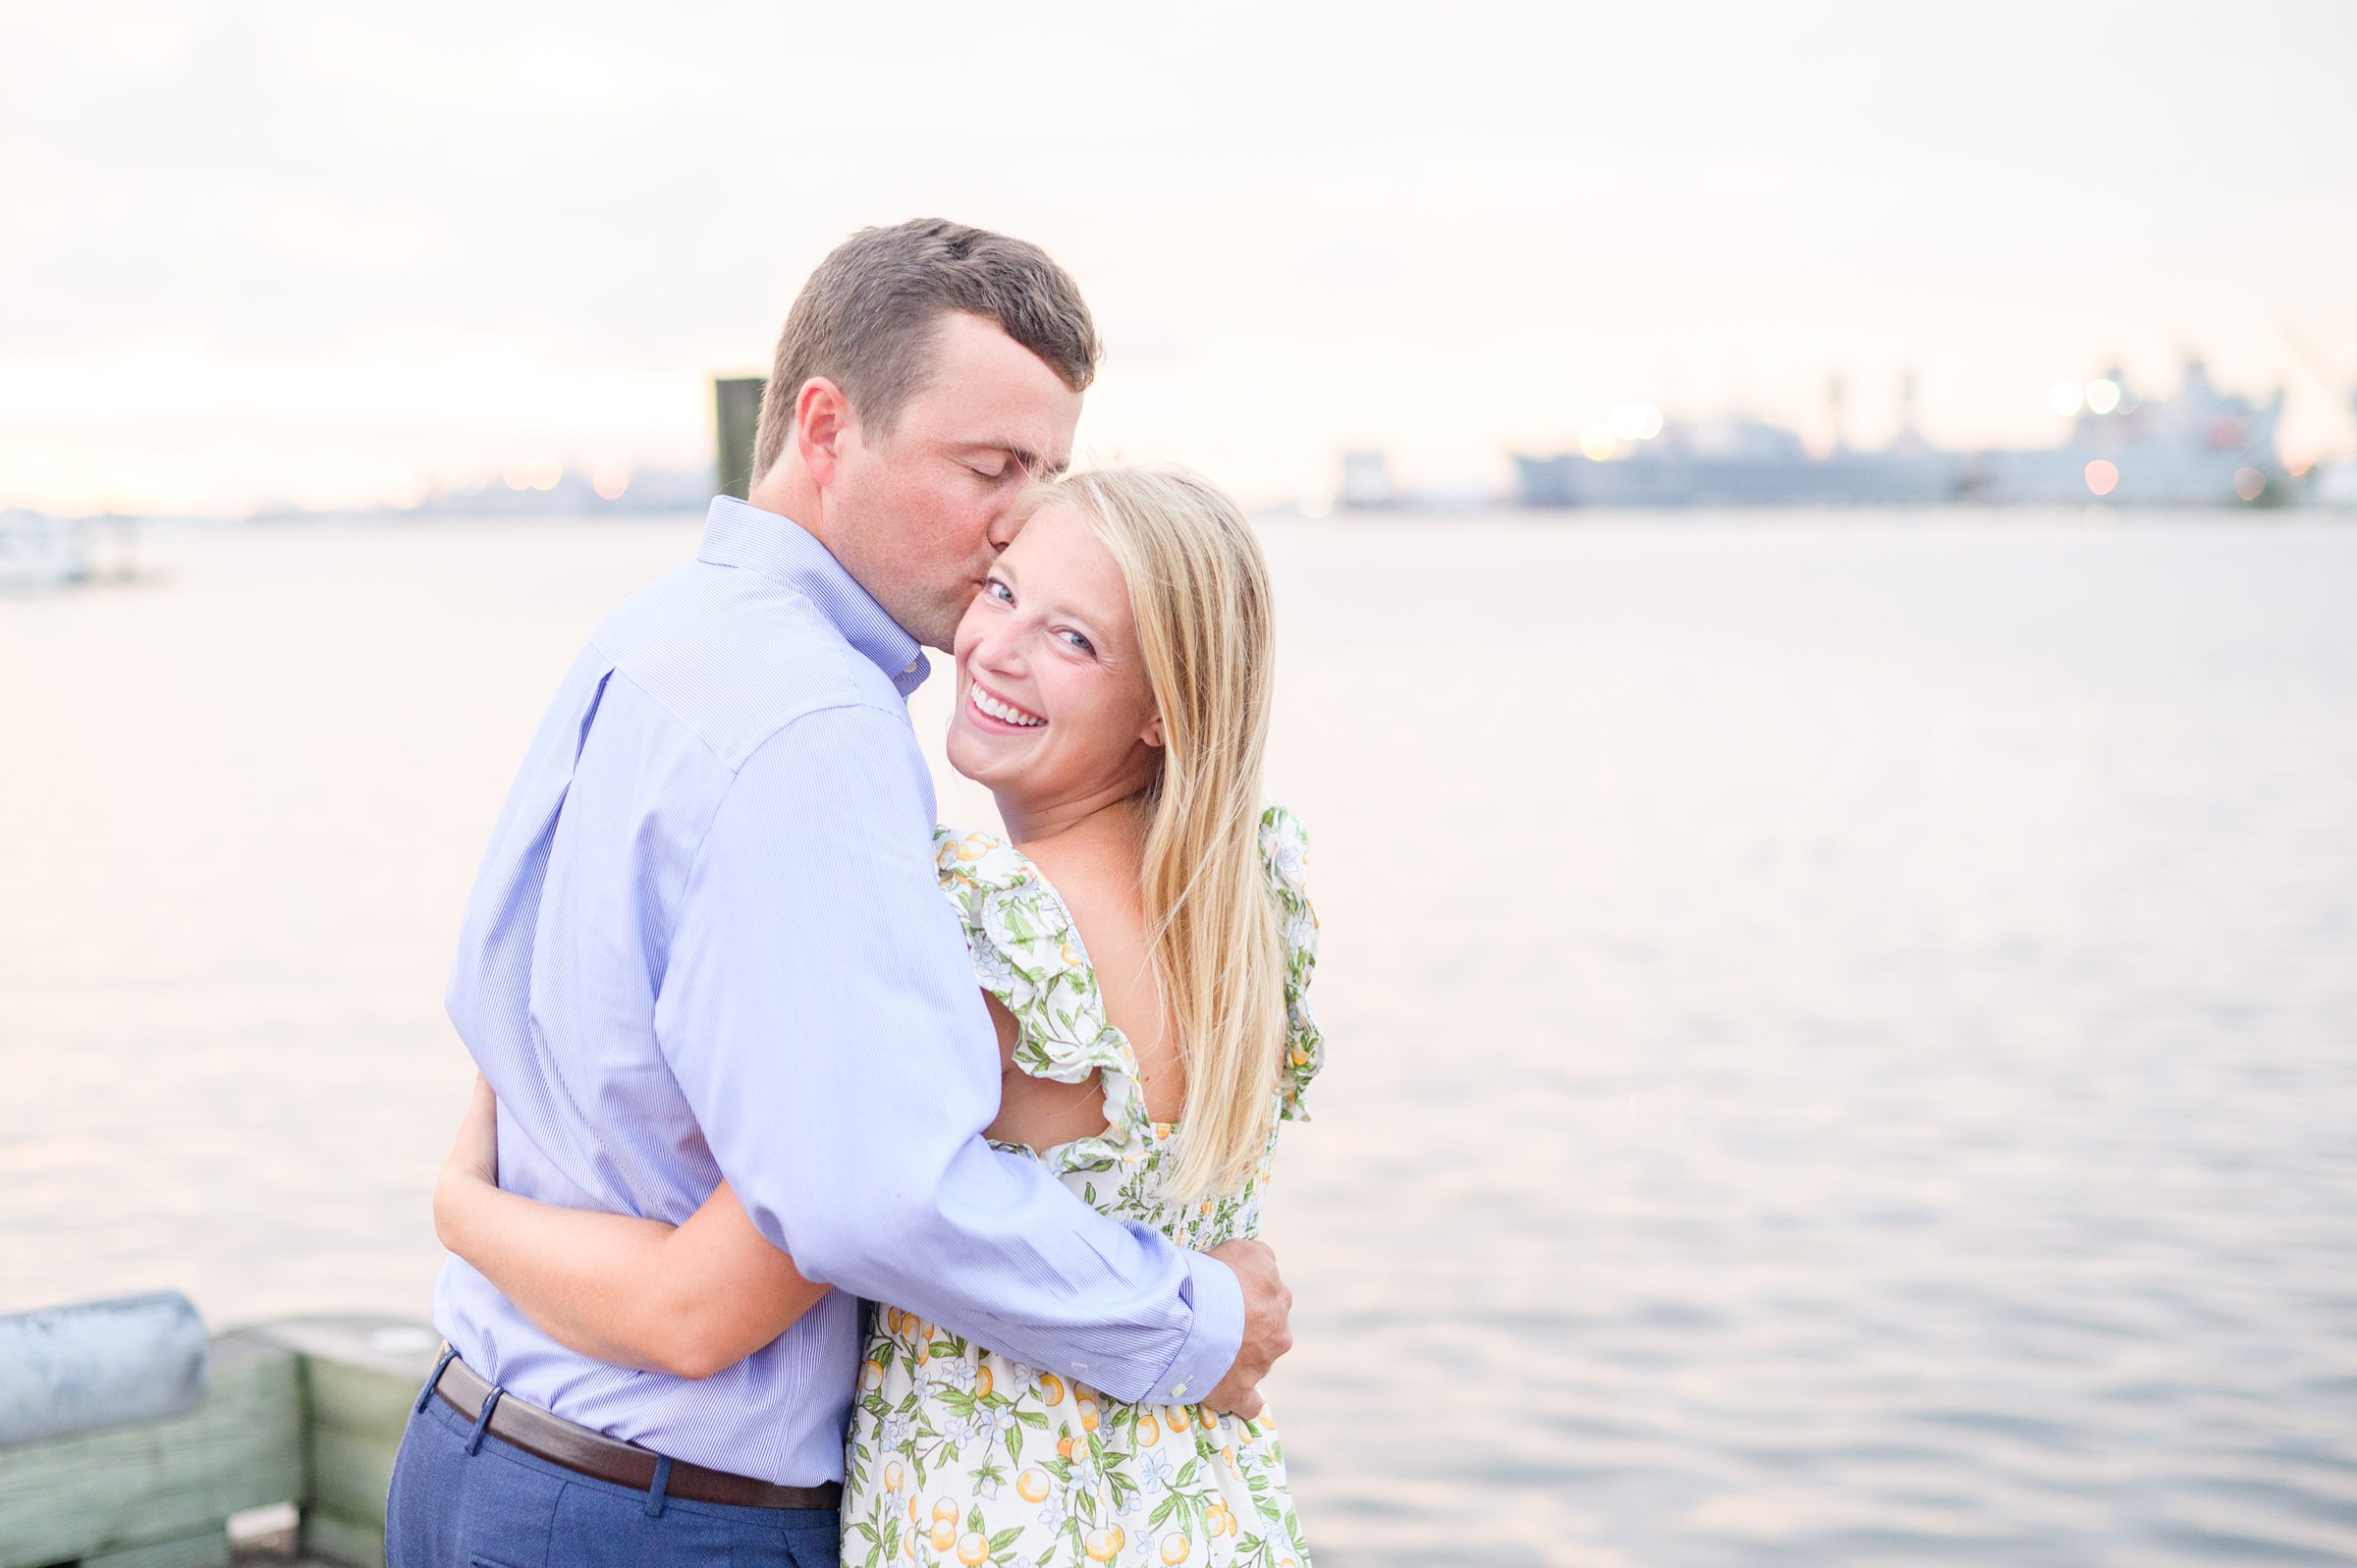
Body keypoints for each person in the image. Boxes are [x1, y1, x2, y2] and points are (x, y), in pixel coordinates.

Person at [383, 221, 1293, 1568]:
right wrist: (1195, 1323)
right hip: (658, 1507)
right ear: (825, 425)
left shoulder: (643, 638)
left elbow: (496, 1011)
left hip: (473, 1447)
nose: (1020, 516)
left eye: (1045, 473)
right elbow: (858, 1201)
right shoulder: (818, 725)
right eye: (991, 468)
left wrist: (468, 1206)